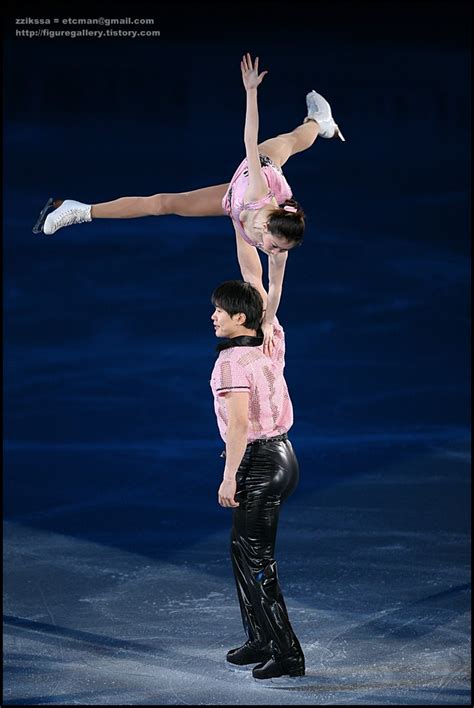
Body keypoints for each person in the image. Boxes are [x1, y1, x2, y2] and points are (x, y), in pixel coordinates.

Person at [33, 53, 344, 354]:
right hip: (255, 174)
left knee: (254, 281)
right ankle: (78, 210)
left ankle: (318, 121)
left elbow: (274, 289)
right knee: (164, 202)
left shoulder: (279, 245)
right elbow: (250, 139)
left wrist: (269, 325)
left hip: (239, 212)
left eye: (280, 250)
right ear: (267, 226)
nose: (274, 253)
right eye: (273, 246)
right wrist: (251, 92)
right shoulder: (259, 194)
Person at [210, 279, 304, 680]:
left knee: (257, 559)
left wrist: (229, 477)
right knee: (241, 551)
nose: (213, 316)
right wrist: (240, 223)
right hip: (283, 458)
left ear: (241, 318)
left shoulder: (230, 361)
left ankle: (287, 653)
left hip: (259, 462)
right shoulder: (269, 341)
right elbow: (259, 282)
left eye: (220, 311)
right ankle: (261, 639)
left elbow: (238, 425)